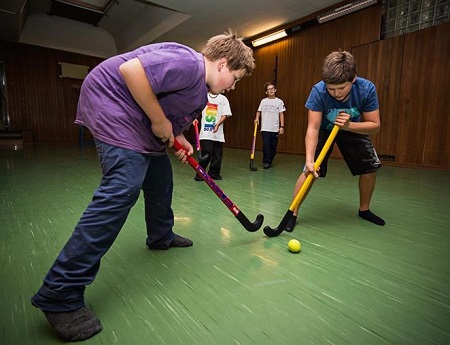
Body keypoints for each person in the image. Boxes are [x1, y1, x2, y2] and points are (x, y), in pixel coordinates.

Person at [30, 30, 255, 342]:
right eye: (236, 77)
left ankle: (161, 235)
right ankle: (60, 292)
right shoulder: (188, 62)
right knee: (123, 188)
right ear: (222, 63)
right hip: (113, 103)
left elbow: (169, 119)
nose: (233, 85)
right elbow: (131, 71)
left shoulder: (200, 94)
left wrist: (180, 138)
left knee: (160, 177)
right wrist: (160, 122)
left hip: (136, 118)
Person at [286, 50, 384, 232]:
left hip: (352, 126)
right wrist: (309, 160)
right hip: (324, 128)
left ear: (353, 79)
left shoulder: (366, 89)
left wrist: (349, 126)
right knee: (309, 170)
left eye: (341, 88)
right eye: (331, 88)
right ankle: (292, 213)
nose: (336, 93)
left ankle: (364, 210)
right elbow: (312, 128)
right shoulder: (318, 91)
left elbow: (375, 125)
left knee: (370, 168)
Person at [194, 92, 232, 181]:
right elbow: (196, 110)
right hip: (205, 133)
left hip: (218, 134)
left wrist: (218, 124)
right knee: (206, 154)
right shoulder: (203, 96)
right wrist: (194, 118)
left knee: (217, 155)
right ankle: (200, 174)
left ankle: (214, 174)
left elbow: (225, 114)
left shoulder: (223, 99)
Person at [254, 81, 286, 168]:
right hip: (265, 128)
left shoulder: (279, 102)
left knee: (273, 146)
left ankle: (270, 161)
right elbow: (258, 111)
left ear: (275, 90)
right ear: (266, 92)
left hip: (274, 128)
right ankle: (266, 162)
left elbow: (281, 114)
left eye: (272, 88)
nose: (271, 90)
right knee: (266, 145)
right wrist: (257, 118)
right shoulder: (263, 101)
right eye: (268, 89)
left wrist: (282, 126)